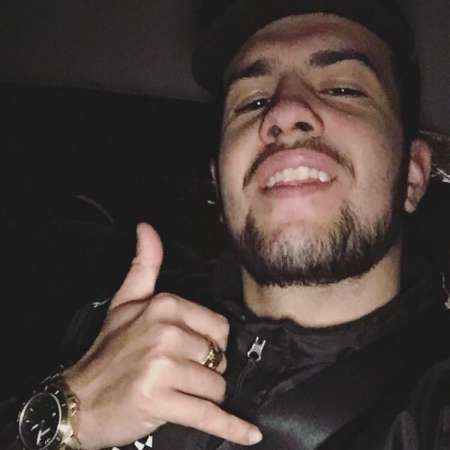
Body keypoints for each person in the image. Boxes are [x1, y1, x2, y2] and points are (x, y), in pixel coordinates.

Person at [4, 0, 450, 449]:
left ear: (413, 175)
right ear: (220, 183)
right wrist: (68, 415)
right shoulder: (99, 325)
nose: (285, 111)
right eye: (253, 101)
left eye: (342, 89)